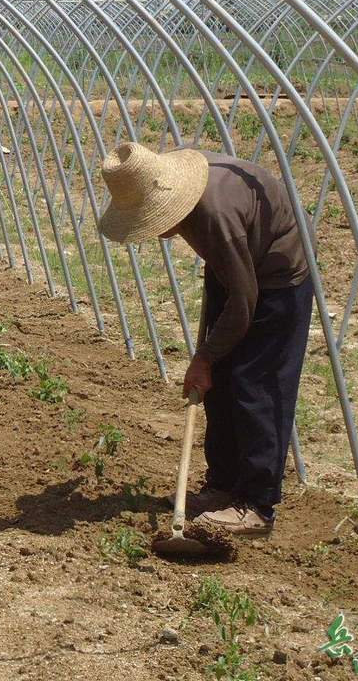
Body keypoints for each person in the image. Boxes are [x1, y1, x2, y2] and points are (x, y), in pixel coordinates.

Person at [98, 142, 311, 537]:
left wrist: (203, 358)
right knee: (221, 386)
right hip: (237, 270)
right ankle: (224, 487)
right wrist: (212, 361)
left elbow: (245, 300)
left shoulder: (214, 215)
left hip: (277, 282)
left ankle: (256, 504)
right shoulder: (182, 176)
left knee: (255, 386)